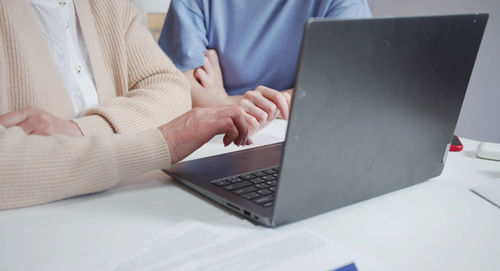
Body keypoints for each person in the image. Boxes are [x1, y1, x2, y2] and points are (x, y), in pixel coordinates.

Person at [0, 0, 251, 210]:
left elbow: (172, 89)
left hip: (122, 204)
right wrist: (165, 142)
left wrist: (79, 131)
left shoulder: (111, 4)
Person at [159, 0, 372, 133]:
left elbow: (340, 88)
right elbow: (183, 84)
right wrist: (232, 109)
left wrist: (225, 101)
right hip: (217, 137)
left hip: (303, 132)